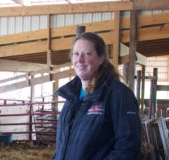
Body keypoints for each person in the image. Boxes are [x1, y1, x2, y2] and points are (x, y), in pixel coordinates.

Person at [52, 32, 141, 160]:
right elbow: (61, 148)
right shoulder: (72, 98)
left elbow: (128, 147)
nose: (80, 60)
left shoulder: (118, 95)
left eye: (87, 54)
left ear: (101, 58)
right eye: (76, 54)